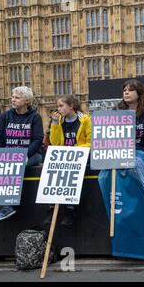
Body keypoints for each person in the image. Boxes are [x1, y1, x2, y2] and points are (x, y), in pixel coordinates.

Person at [0, 86, 44, 222]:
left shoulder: (35, 117)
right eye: (12, 97)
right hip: (9, 155)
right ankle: (2, 205)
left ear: (26, 101)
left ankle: (7, 205)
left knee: (17, 164)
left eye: (17, 97)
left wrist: (23, 154)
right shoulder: (5, 116)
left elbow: (38, 140)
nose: (13, 100)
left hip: (31, 155)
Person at [48, 95, 91, 226]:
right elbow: (54, 143)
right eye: (58, 106)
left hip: (80, 155)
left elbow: (92, 142)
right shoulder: (59, 121)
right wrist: (54, 124)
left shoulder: (85, 120)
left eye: (61, 106)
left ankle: (70, 209)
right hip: (64, 156)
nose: (58, 109)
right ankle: (51, 209)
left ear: (71, 106)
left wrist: (77, 149)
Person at [116, 79, 144, 158]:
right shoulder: (116, 111)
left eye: (131, 90)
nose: (126, 92)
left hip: (142, 153)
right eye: (125, 90)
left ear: (139, 93)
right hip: (122, 154)